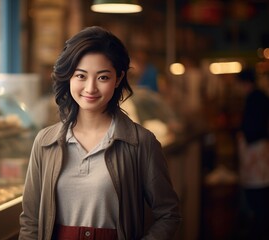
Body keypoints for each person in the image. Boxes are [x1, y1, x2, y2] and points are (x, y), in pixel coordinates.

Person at [19, 26, 181, 240]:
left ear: (118, 78)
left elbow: (168, 214)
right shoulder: (45, 142)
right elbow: (31, 222)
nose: (90, 88)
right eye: (81, 76)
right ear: (69, 77)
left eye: (103, 77)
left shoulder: (141, 142)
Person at [236, 68, 269, 239]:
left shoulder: (254, 98)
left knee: (258, 194)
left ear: (244, 83)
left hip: (256, 151)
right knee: (260, 192)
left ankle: (259, 230)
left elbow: (252, 128)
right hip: (259, 150)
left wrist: (242, 134)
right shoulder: (261, 96)